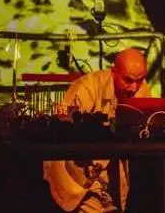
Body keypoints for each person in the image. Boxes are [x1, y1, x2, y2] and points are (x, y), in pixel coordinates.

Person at [43, 48, 152, 212]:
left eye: (140, 80)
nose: (133, 87)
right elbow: (66, 127)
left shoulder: (142, 90)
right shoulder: (87, 86)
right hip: (76, 176)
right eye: (128, 80)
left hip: (110, 176)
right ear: (113, 71)